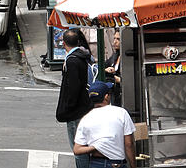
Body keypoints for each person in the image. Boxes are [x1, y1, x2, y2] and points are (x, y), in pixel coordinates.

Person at [72, 81, 136, 168]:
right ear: (106, 96)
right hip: (116, 163)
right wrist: (133, 165)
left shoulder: (86, 119)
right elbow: (129, 144)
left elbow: (77, 150)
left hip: (95, 163)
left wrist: (95, 147)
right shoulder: (121, 113)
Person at [57, 28, 94, 168]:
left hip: (75, 111)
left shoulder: (72, 61)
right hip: (83, 107)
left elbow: (73, 87)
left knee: (78, 147)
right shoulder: (83, 57)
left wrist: (68, 107)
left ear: (64, 43)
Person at [103, 32, 122, 107]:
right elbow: (103, 67)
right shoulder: (115, 56)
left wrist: (119, 80)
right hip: (115, 94)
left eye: (118, 39)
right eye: (114, 38)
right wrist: (106, 70)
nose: (115, 42)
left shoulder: (127, 58)